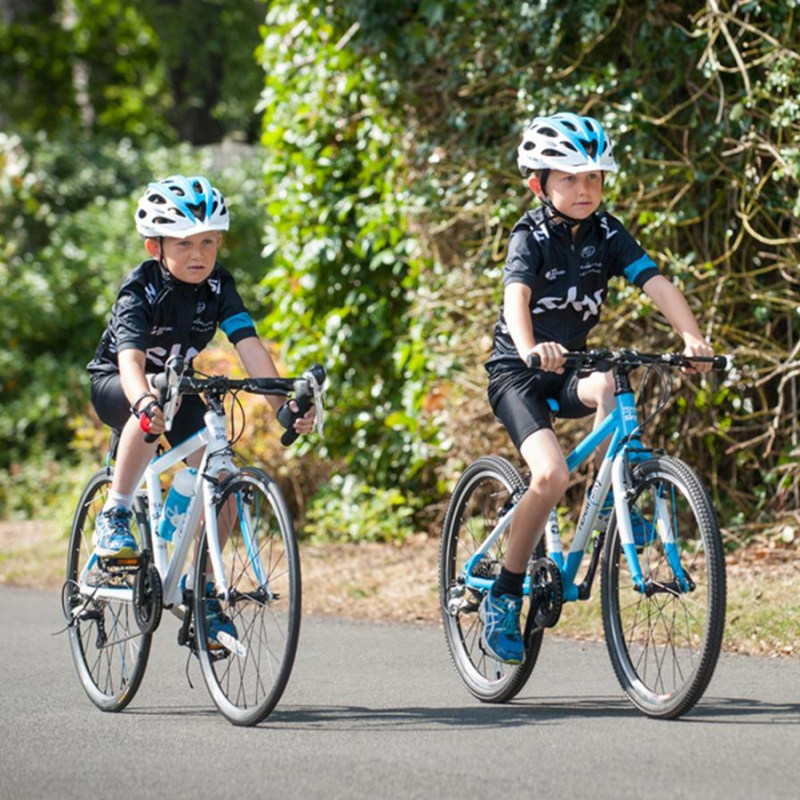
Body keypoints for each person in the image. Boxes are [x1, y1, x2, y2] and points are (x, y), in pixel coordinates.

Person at [482, 113, 713, 664]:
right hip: (519, 372)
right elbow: (516, 296)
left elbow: (656, 282)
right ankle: (503, 593)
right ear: (539, 184)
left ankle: (623, 499)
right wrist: (530, 343)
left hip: (569, 370)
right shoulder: (529, 235)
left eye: (593, 178)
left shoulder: (609, 233)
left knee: (611, 383)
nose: (584, 189)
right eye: (569, 178)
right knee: (551, 474)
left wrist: (692, 339)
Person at [87, 174, 315, 643]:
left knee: (225, 483)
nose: (199, 255)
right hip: (120, 385)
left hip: (178, 387)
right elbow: (129, 361)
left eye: (209, 242)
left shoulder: (219, 287)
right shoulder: (140, 290)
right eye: (185, 243)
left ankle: (201, 591)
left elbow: (249, 346)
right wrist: (145, 400)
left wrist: (281, 407)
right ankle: (115, 512)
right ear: (156, 248)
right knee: (153, 412)